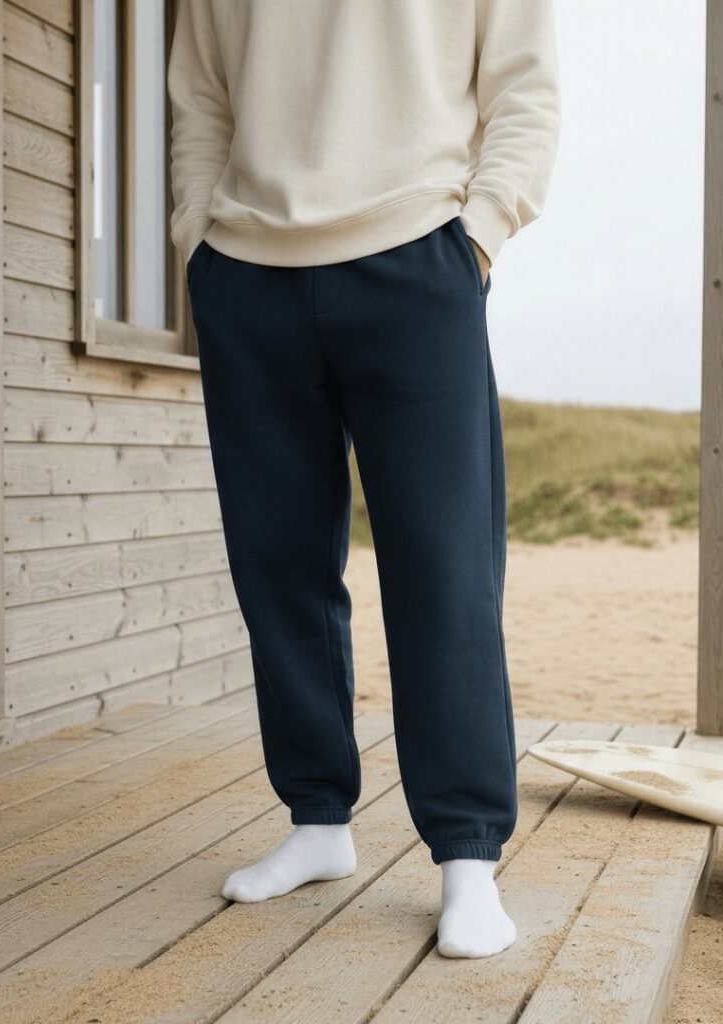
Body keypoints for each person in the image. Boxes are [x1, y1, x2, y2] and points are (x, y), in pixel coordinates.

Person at [167, 0, 561, 959]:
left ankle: (467, 856)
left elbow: (525, 86)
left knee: (445, 572)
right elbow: (203, 97)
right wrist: (198, 240)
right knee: (279, 570)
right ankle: (318, 821)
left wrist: (479, 232)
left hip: (417, 258)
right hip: (248, 274)